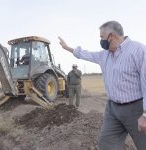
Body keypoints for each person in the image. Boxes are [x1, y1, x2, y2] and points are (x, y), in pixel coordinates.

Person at [58, 21, 146, 150]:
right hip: (112, 109)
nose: (100, 40)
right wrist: (68, 48)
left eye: (101, 37)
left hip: (135, 109)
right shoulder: (104, 55)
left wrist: (145, 114)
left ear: (111, 36)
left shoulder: (138, 50)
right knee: (106, 145)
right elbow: (85, 54)